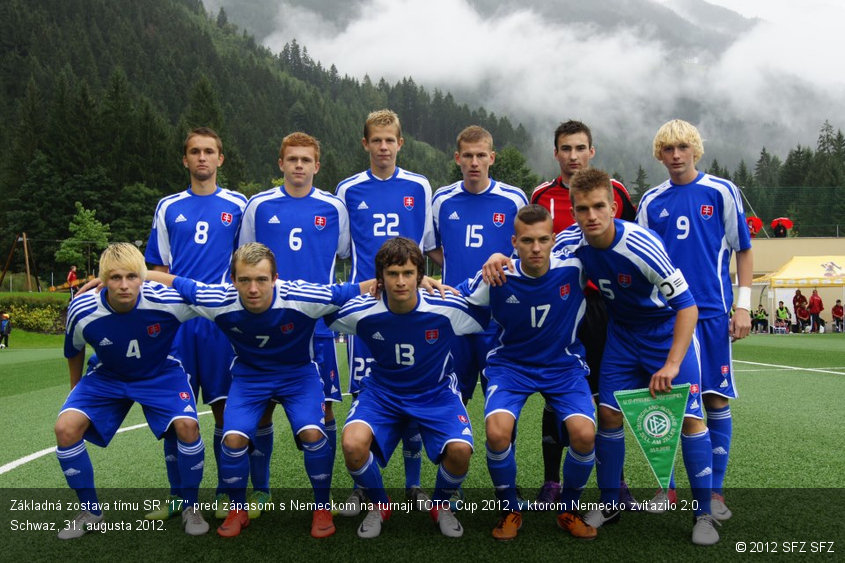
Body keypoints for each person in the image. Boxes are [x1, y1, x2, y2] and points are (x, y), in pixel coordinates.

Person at [148, 243, 372, 538]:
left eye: (261, 280)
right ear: (233, 281)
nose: (253, 289)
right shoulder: (220, 300)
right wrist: (133, 273)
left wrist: (418, 280)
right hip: (250, 378)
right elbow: (181, 284)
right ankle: (238, 509)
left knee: (313, 434)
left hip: (298, 376)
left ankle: (320, 507)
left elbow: (357, 288)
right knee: (232, 439)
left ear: (275, 278)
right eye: (244, 280)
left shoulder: (301, 296)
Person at [562, 168, 717, 544]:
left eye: (599, 206)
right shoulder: (568, 242)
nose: (591, 216)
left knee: (690, 420)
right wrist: (500, 258)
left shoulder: (641, 244)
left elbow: (687, 307)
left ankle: (704, 517)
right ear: (574, 211)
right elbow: (530, 263)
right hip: (622, 337)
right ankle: (611, 502)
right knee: (609, 415)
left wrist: (672, 364)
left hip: (666, 334)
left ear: (614, 206)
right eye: (582, 209)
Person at [327, 237, 487, 539]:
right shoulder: (362, 310)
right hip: (383, 393)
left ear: (420, 275)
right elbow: (326, 311)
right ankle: (380, 504)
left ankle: (441, 506)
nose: (401, 281)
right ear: (381, 278)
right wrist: (360, 288)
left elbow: (481, 307)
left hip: (436, 393)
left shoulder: (445, 307)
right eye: (392, 274)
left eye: (408, 273)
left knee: (461, 451)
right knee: (352, 445)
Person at [637, 119, 753, 520]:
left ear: (695, 150)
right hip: (669, 319)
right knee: (669, 402)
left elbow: (743, 249)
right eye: (667, 149)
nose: (675, 155)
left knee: (715, 397)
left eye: (683, 147)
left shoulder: (721, 191)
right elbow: (641, 263)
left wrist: (743, 305)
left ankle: (715, 492)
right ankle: (666, 489)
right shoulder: (652, 202)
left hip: (713, 312)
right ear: (659, 154)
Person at [54, 243, 208, 539]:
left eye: (131, 276)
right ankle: (91, 511)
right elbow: (73, 350)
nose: (124, 285)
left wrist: (151, 274)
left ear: (141, 277)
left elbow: (202, 294)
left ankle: (190, 507)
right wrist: (75, 389)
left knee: (188, 427)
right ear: (102, 279)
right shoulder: (82, 307)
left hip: (160, 373)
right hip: (108, 376)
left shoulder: (165, 300)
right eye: (114, 278)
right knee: (65, 428)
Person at [467, 205, 598, 541]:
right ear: (515, 241)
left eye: (543, 240)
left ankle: (568, 510)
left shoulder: (576, 268)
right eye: (527, 241)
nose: (536, 248)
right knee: (497, 433)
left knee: (584, 434)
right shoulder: (498, 275)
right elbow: (458, 299)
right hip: (512, 366)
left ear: (554, 239)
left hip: (563, 365)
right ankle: (510, 509)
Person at [237, 132, 350, 514]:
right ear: (280, 164)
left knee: (327, 407)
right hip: (265, 327)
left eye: (306, 160)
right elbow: (246, 260)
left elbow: (347, 255)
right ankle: (261, 490)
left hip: (316, 327)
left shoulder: (334, 207)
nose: (299, 165)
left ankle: (324, 494)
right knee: (263, 406)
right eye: (292, 159)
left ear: (317, 166)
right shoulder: (259, 206)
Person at [530, 120, 637, 505]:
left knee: (611, 393)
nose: (573, 156)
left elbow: (631, 246)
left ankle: (616, 480)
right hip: (562, 307)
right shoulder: (542, 196)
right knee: (556, 390)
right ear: (555, 153)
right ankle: (552, 480)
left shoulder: (617, 193)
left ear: (592, 151)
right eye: (565, 149)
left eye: (580, 148)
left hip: (606, 305)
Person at [144, 127, 248, 520]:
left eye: (209, 151)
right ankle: (180, 496)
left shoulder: (239, 205)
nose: (202, 158)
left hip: (221, 321)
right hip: (179, 324)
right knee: (177, 412)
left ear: (221, 159)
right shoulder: (168, 206)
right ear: (184, 159)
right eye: (194, 152)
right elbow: (158, 268)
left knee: (225, 409)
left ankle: (226, 494)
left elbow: (249, 262)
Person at [335, 109, 436, 512]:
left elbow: (425, 245)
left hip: (411, 304)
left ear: (400, 143)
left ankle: (413, 486)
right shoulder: (347, 190)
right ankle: (366, 487)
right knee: (364, 394)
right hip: (367, 307)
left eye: (389, 140)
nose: (382, 147)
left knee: (412, 389)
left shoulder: (419, 185)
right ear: (365, 144)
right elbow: (343, 249)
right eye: (375, 140)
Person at [429, 125, 528, 403]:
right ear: (457, 157)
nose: (474, 163)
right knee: (450, 397)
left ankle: (501, 448)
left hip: (497, 315)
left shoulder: (514, 198)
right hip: (455, 310)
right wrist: (458, 270)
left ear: (492, 158)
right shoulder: (442, 199)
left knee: (500, 399)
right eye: (468, 156)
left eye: (481, 155)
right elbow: (432, 248)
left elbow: (525, 249)